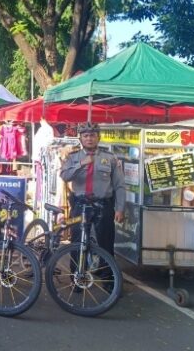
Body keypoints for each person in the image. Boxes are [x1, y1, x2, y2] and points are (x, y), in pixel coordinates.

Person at [60, 122, 125, 291]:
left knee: (106, 244)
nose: (89, 138)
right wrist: (81, 164)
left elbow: (119, 185)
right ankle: (77, 279)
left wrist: (120, 208)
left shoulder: (109, 158)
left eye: (93, 135)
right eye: (86, 135)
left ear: (98, 137)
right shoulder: (73, 157)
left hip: (103, 205)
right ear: (80, 138)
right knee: (77, 242)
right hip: (80, 205)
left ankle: (108, 281)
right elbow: (65, 176)